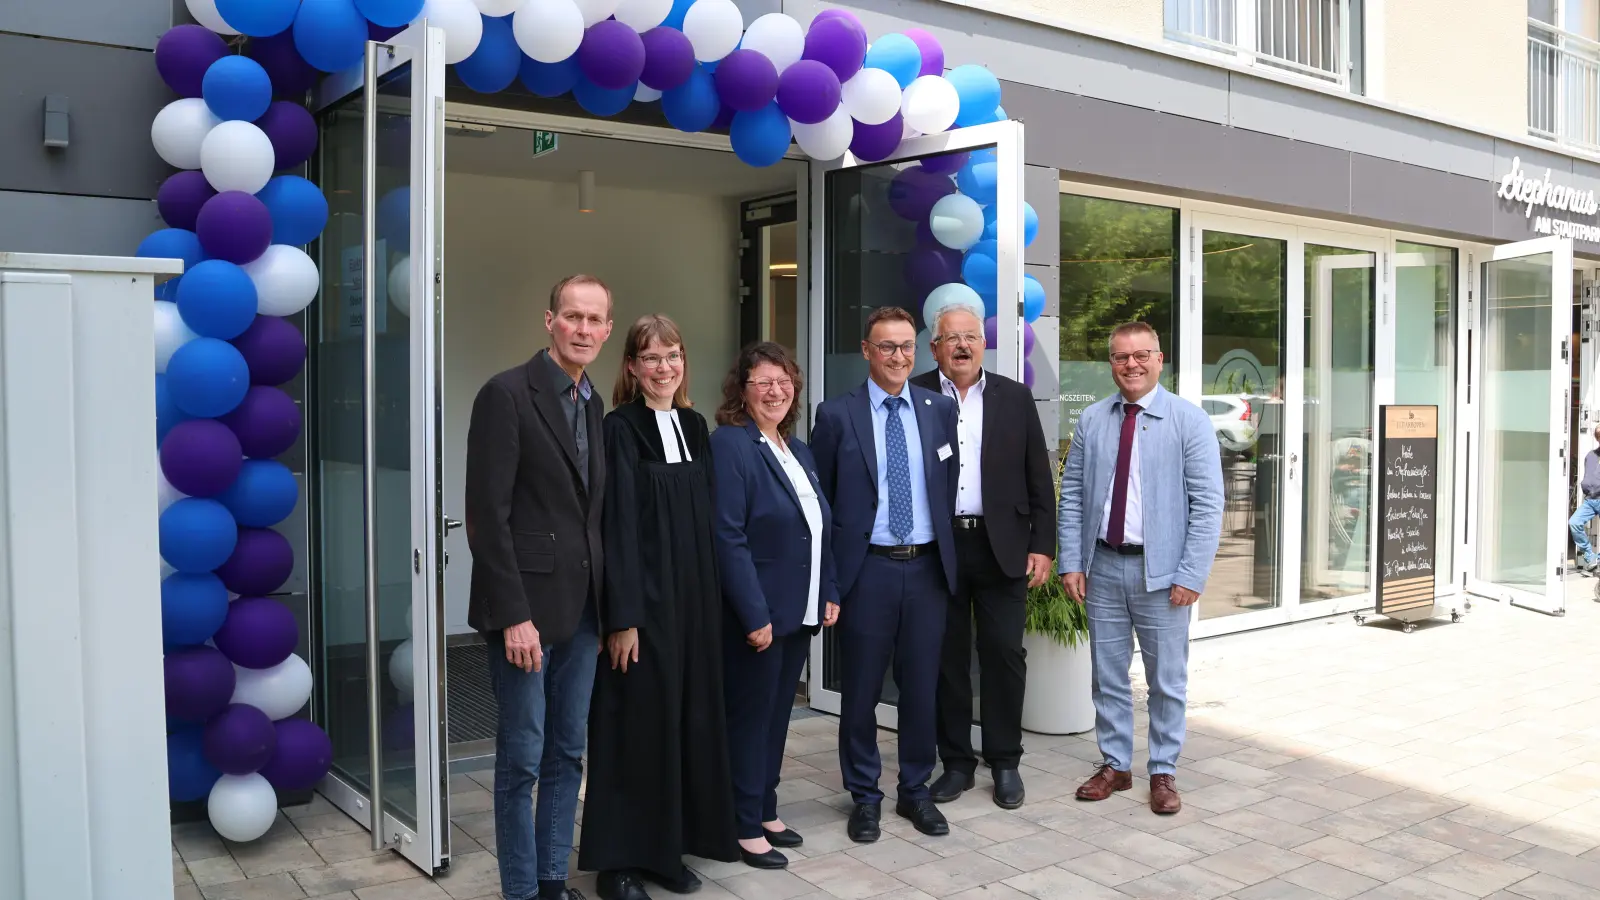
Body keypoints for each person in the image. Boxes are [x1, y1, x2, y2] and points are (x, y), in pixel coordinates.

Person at [464, 274, 613, 900]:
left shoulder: (593, 403)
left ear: (607, 329)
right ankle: (522, 891)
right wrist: (513, 617)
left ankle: (553, 881)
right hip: (525, 614)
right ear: (548, 320)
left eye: (594, 320)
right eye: (572, 317)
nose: (582, 330)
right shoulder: (506, 395)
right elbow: (486, 517)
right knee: (522, 760)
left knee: (567, 753)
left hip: (583, 616)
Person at [580, 315, 739, 900]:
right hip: (643, 609)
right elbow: (615, 528)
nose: (663, 367)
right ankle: (618, 863)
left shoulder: (697, 427)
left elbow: (708, 524)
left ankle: (666, 850)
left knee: (686, 724)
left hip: (694, 607)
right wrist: (622, 617)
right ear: (630, 367)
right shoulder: (618, 429)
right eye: (650, 358)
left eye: (672, 355)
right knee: (635, 731)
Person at [1057, 321, 1222, 815]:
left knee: (1166, 679)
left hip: (1163, 574)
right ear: (1111, 362)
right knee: (1106, 675)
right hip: (1103, 567)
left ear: (1159, 358)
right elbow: (1073, 497)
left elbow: (1208, 504)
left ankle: (1164, 770)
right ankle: (1115, 764)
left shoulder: (1188, 421)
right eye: (1121, 357)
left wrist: (1191, 573)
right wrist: (1071, 561)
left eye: (1140, 355)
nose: (1131, 364)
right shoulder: (1091, 420)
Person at [811, 306, 960, 844]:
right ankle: (865, 796)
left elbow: (947, 483)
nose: (898, 356)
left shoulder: (939, 409)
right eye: (887, 347)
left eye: (906, 347)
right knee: (861, 692)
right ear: (867, 351)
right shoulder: (835, 414)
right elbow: (823, 506)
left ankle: (915, 792)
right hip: (867, 571)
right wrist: (830, 583)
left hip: (925, 572)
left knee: (922, 690)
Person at [910, 303, 1055, 811]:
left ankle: (1005, 761)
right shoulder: (917, 393)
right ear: (935, 347)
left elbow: (1039, 475)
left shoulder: (1014, 397)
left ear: (984, 344)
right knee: (947, 659)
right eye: (952, 338)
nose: (963, 346)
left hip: (1003, 544)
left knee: (1003, 654)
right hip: (939, 546)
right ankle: (955, 763)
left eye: (970, 337)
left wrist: (1043, 544)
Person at [710, 342, 841, 869]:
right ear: (741, 391)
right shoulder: (731, 445)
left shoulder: (797, 449)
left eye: (783, 380)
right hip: (759, 617)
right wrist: (754, 613)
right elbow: (728, 536)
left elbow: (819, 529)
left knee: (775, 720)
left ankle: (764, 807)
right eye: (762, 381)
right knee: (750, 720)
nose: (775, 390)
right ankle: (742, 824)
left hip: (799, 611)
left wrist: (828, 588)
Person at [1570, 425, 1600, 573]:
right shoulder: (1591, 455)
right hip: (1590, 500)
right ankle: (1590, 555)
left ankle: (1598, 558)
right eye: (1599, 436)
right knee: (1574, 523)